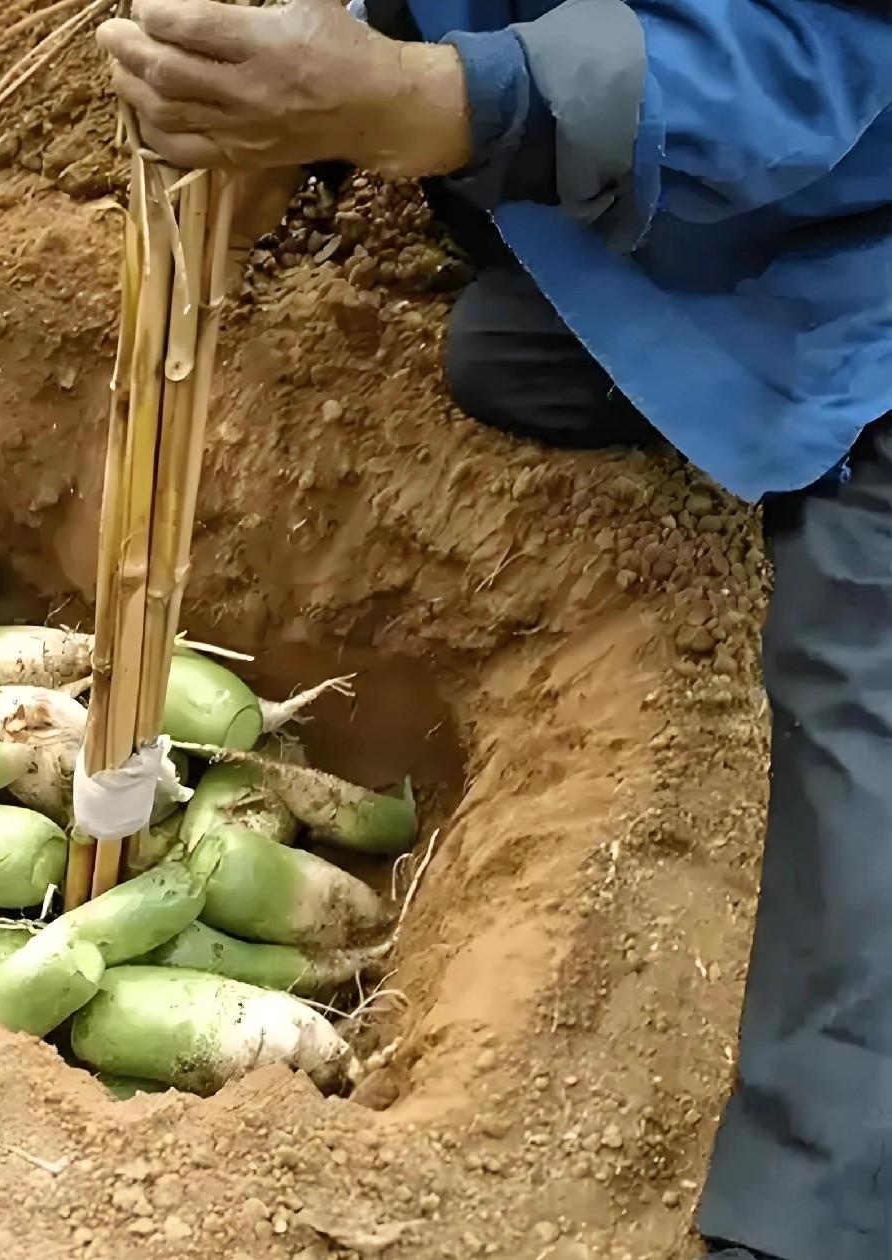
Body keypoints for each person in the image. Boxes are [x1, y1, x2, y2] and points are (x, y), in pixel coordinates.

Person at [96, 2, 892, 1258]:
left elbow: (809, 46)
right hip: (737, 218)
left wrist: (434, 101)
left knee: (866, 715)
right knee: (501, 353)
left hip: (847, 183)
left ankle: (812, 1225)